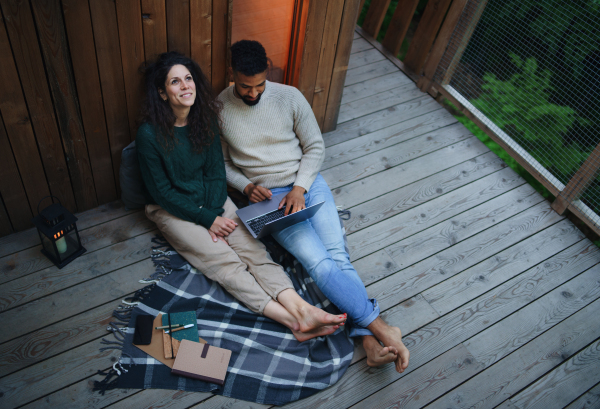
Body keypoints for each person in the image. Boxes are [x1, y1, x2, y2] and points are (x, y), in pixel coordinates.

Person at [218, 40, 410, 373]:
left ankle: (368, 338)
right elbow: (221, 163)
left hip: (307, 183)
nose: (252, 93)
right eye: (245, 86)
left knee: (337, 255)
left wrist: (300, 187)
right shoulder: (218, 109)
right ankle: (380, 328)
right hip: (270, 199)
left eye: (259, 85)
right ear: (231, 73)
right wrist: (247, 186)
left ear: (268, 73)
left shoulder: (289, 96)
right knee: (318, 263)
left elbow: (315, 146)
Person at [136, 51, 347, 342]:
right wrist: (207, 219)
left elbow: (214, 171)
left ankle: (302, 307)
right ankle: (293, 322)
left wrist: (215, 212)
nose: (185, 86)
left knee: (253, 250)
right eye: (175, 82)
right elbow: (162, 192)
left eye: (188, 78)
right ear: (162, 92)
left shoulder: (205, 117)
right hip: (171, 208)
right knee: (226, 262)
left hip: (212, 197)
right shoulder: (149, 135)